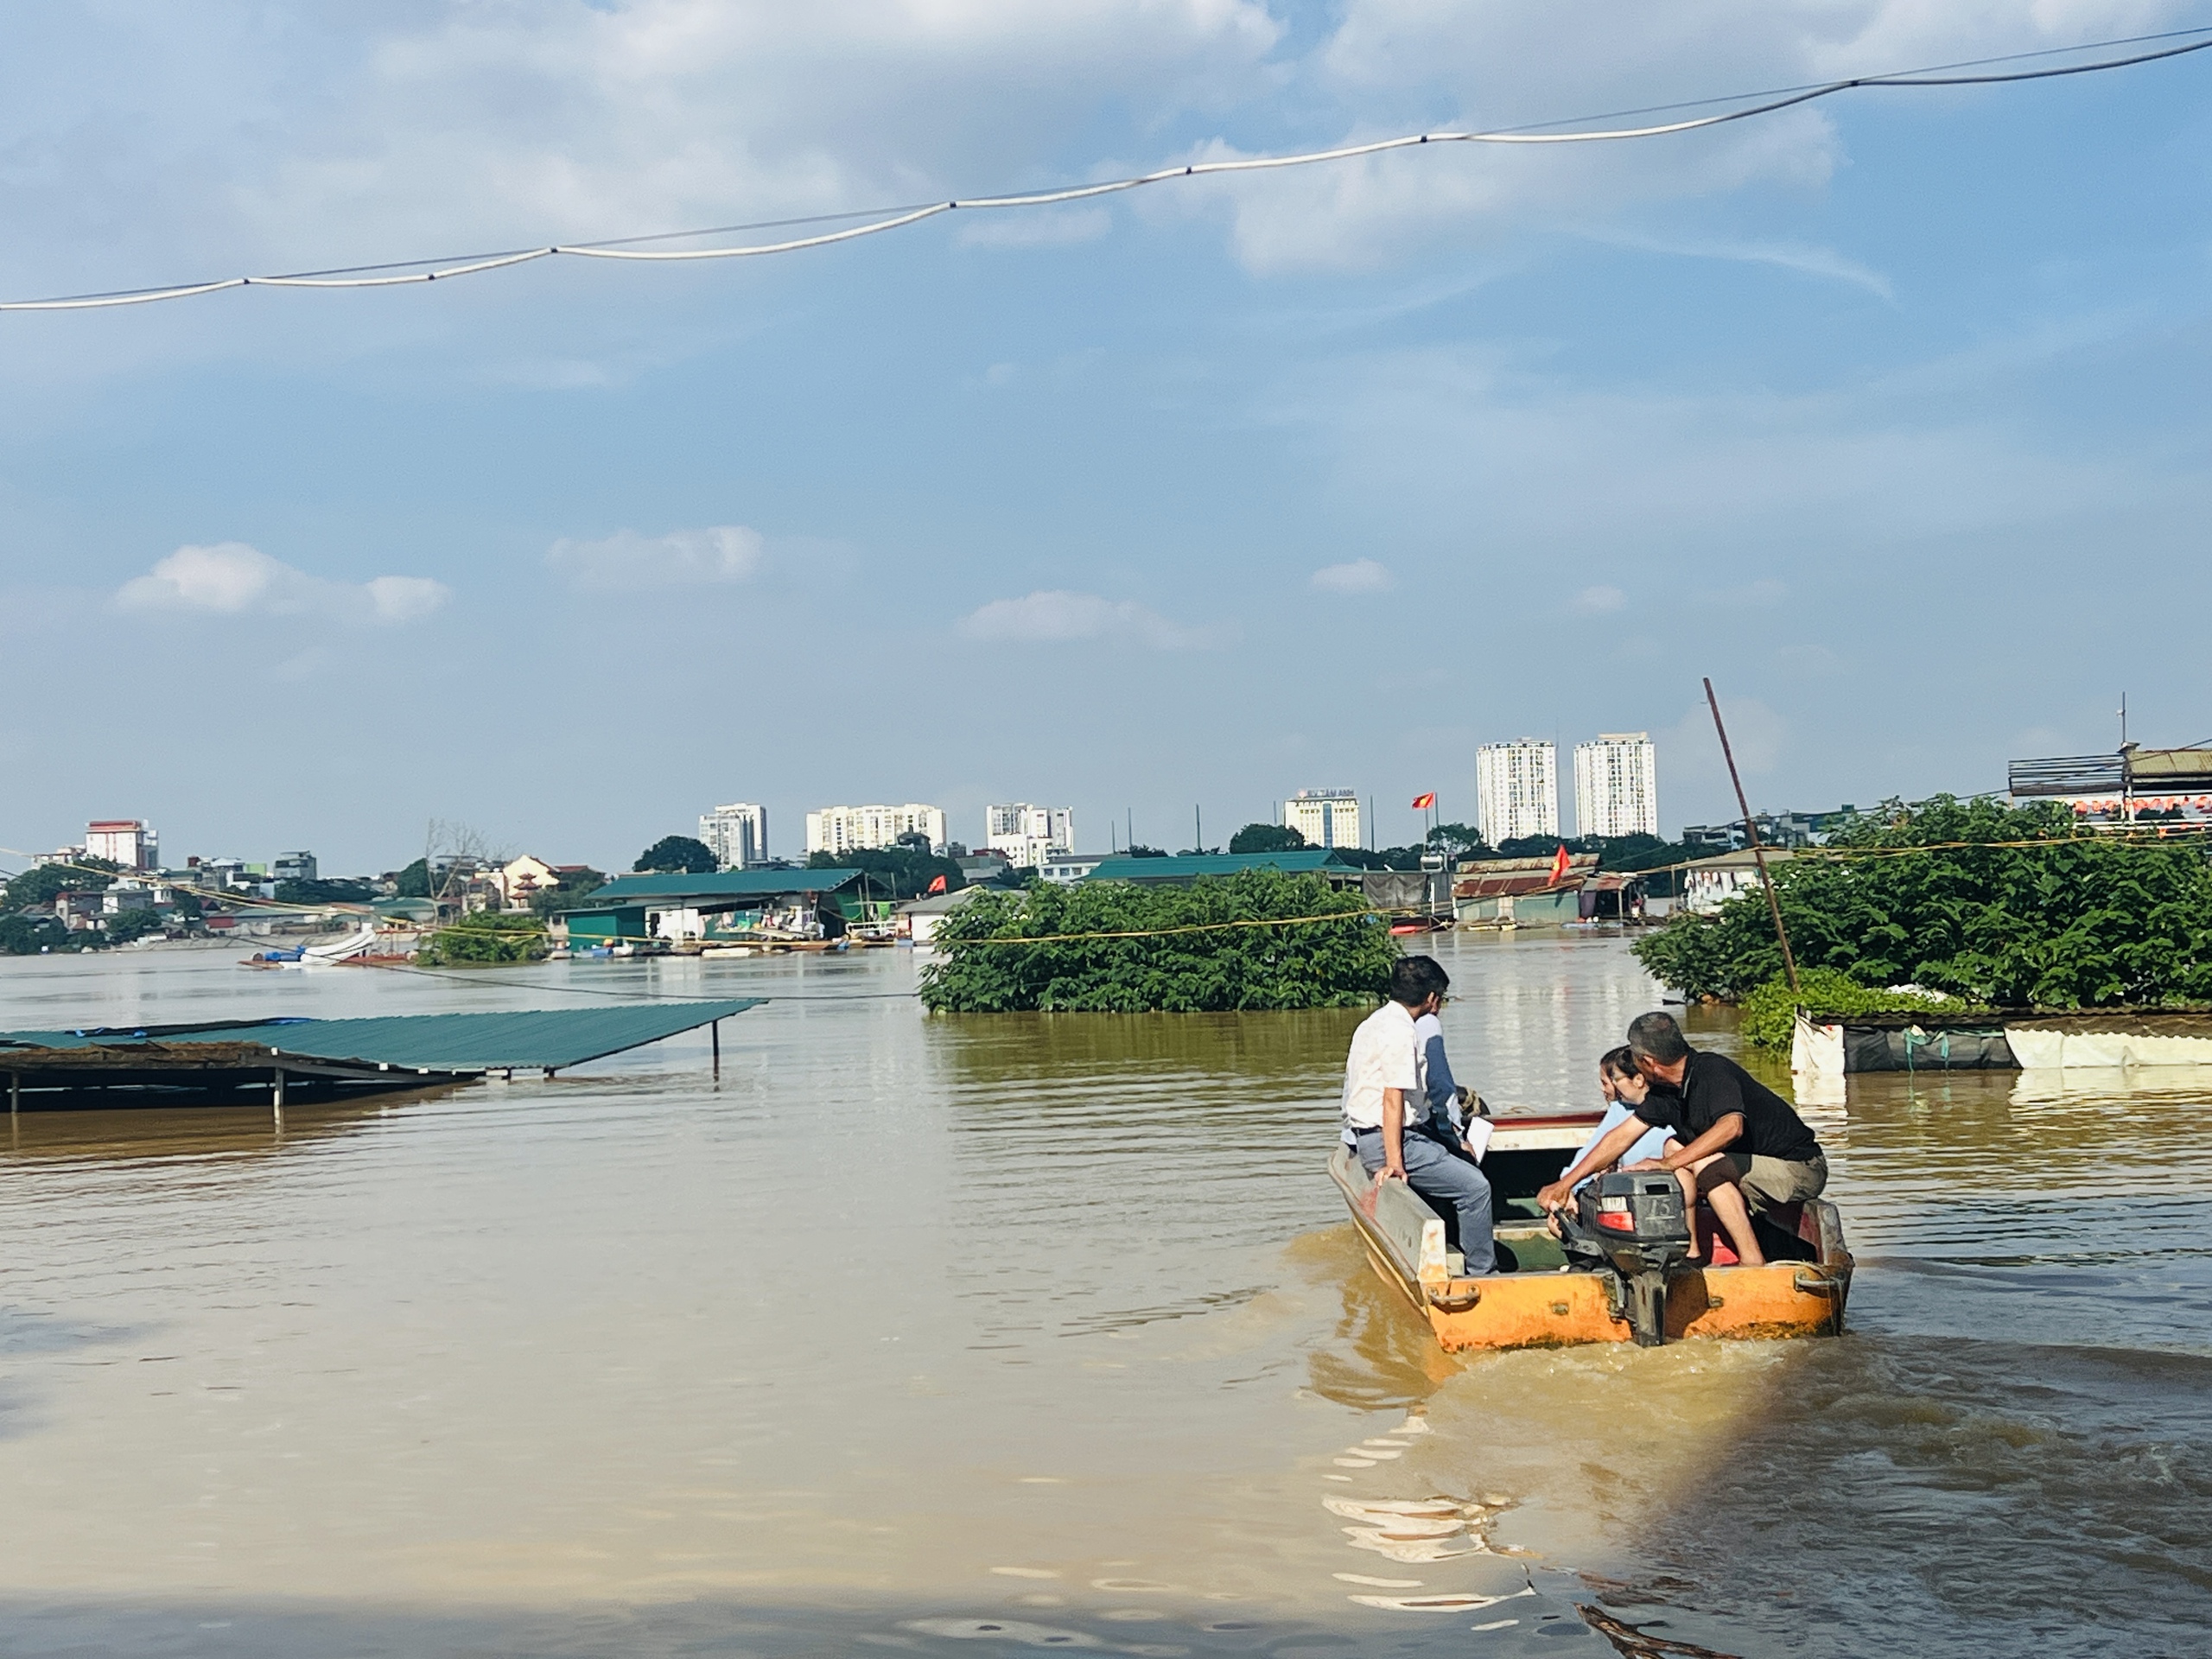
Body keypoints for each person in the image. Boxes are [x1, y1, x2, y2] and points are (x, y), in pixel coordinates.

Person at [1536, 1012, 1826, 1268]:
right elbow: (1620, 1137)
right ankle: (1692, 1252)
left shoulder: (1712, 1072)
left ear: (1648, 1062)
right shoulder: (1665, 1093)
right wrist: (1566, 1184)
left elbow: (1731, 1127)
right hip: (1752, 1169)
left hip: (1799, 1169)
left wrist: (1668, 1164)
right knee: (1673, 1144)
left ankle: (1752, 1260)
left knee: (1703, 1164)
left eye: (1635, 1058)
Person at [1340, 955, 1496, 1274]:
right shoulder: (1400, 1032)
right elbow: (1392, 1100)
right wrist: (1395, 1163)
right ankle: (1483, 1273)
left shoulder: (1373, 1022)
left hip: (1376, 1135)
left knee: (1459, 1161)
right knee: (1476, 1188)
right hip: (1391, 1140)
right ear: (1432, 999)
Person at [1562, 1047, 1671, 1192]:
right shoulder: (1622, 1108)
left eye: (1612, 1081)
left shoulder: (1621, 1110)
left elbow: (1595, 1150)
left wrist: (1567, 1186)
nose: (1611, 1087)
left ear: (1638, 1079)